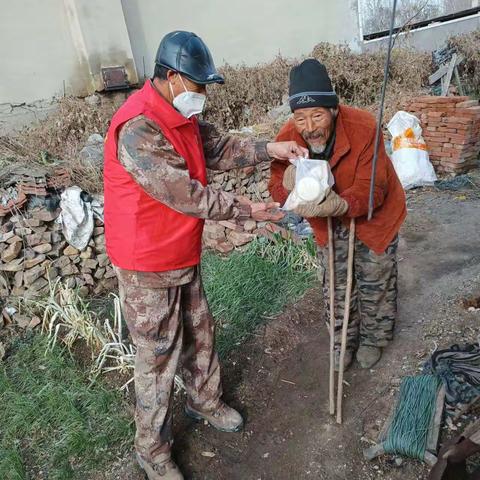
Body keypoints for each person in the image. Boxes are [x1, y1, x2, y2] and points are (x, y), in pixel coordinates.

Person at [103, 31, 307, 480]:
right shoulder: (137, 127)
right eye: (199, 86)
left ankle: (205, 401)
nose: (203, 97)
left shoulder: (180, 115)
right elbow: (187, 195)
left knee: (199, 330)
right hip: (146, 262)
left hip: (180, 250)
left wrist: (270, 147)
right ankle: (152, 451)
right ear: (174, 78)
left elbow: (218, 148)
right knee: (157, 356)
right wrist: (247, 210)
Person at [269, 59, 407, 372]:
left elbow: (373, 189)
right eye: (301, 117)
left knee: (374, 277)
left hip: (374, 217)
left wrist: (341, 205)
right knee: (335, 282)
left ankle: (374, 339)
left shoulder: (363, 126)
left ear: (333, 109)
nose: (310, 127)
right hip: (327, 222)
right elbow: (276, 185)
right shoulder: (291, 135)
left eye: (317, 114)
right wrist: (288, 184)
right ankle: (343, 341)